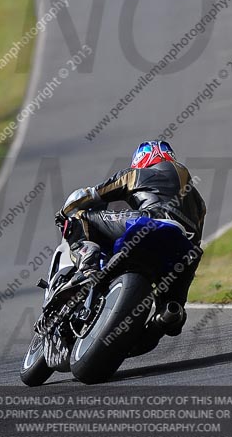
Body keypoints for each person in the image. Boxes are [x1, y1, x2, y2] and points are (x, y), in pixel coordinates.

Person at [55, 141, 206, 337]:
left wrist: (64, 211)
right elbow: (198, 240)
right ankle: (168, 314)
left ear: (142, 158)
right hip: (185, 250)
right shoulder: (198, 200)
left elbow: (89, 195)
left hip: (150, 222)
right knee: (173, 312)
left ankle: (87, 264)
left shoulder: (136, 174)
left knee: (80, 217)